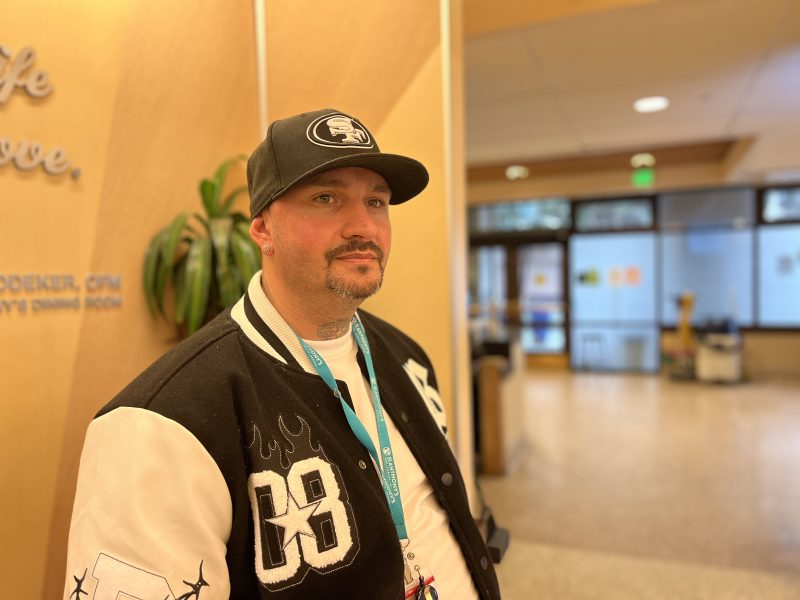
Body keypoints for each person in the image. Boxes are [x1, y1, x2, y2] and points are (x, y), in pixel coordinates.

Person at [64, 108, 502, 599]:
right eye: (327, 198)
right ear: (262, 230)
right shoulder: (159, 424)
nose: (364, 226)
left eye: (376, 201)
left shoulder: (405, 357)